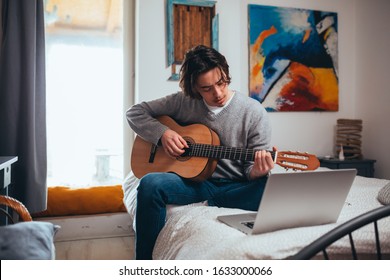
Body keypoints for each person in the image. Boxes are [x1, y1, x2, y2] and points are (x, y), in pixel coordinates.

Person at [126, 45, 275, 259]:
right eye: (206, 88)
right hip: (195, 183)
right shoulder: (183, 102)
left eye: (221, 83)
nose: (218, 93)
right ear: (194, 88)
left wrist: (258, 171)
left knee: (274, 192)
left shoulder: (254, 112)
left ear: (226, 74)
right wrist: (163, 134)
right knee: (149, 184)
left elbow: (251, 170)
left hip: (237, 185)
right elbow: (135, 112)